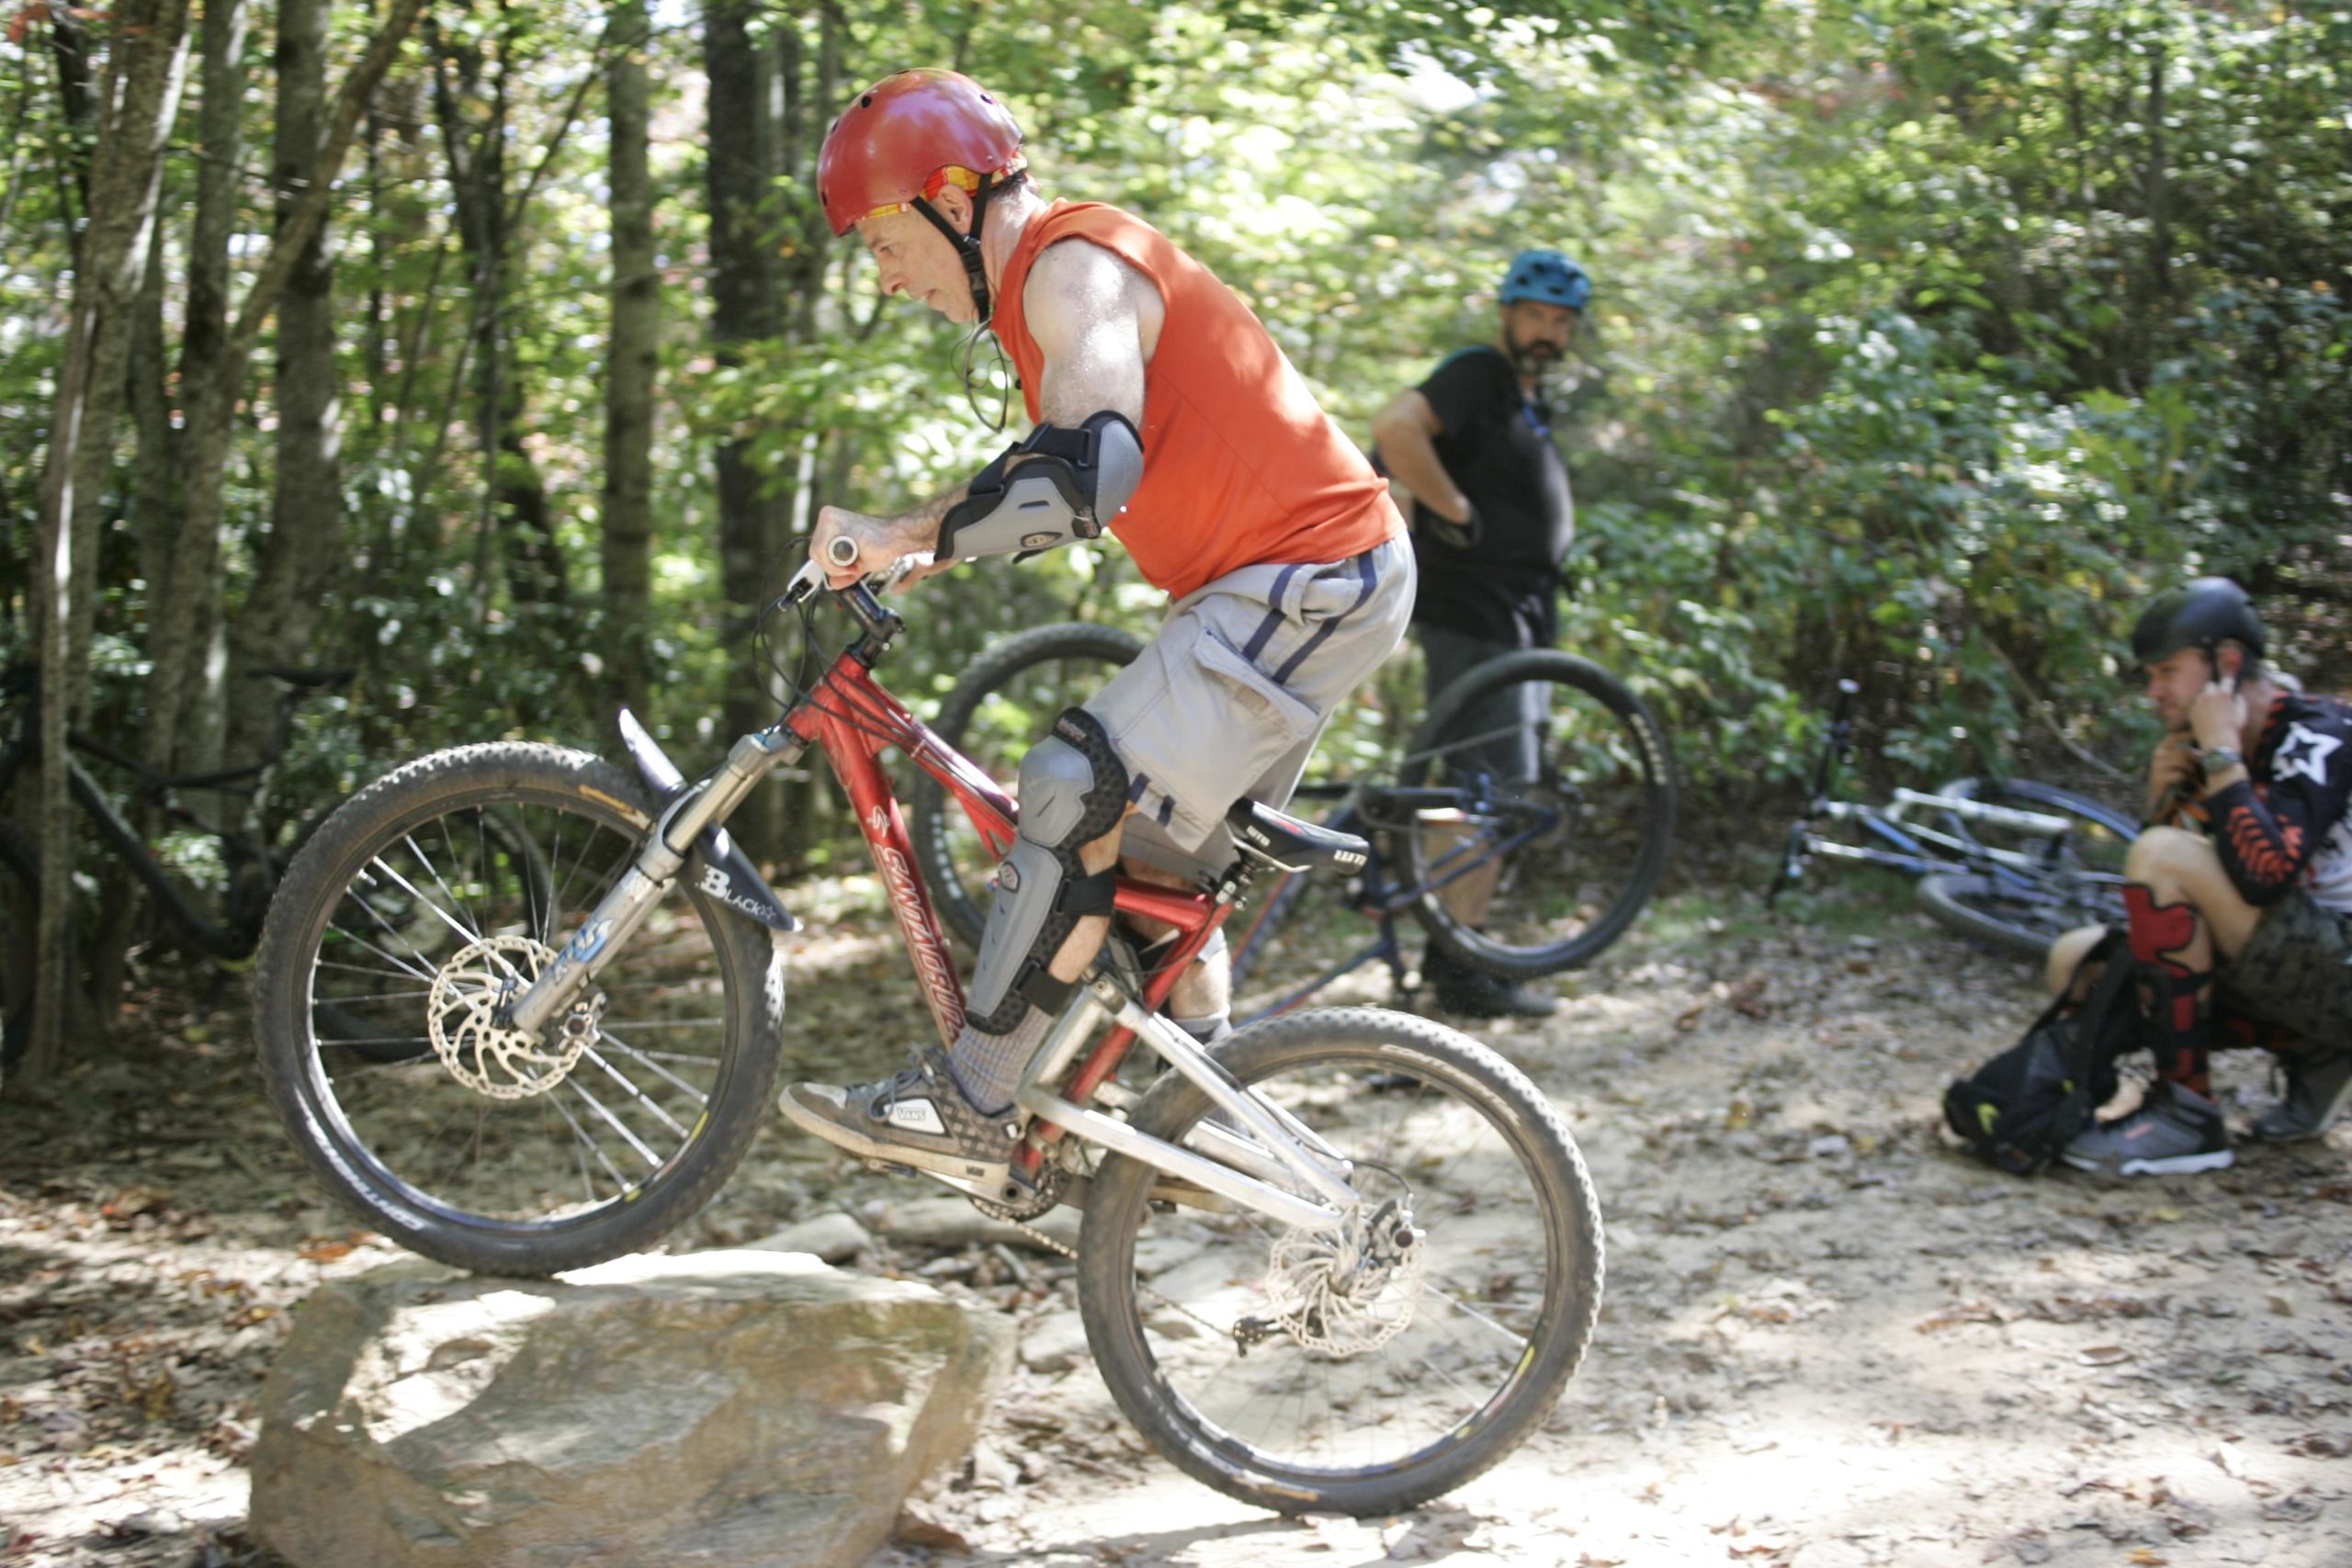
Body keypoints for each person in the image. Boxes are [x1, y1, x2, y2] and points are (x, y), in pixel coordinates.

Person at [777, 69, 1413, 1194]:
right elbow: (1055, 472)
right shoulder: (1044, 294)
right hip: (1295, 582)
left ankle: (967, 1101)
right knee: (1149, 878)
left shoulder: (1073, 268)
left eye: (883, 241)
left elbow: (1084, 472)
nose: (884, 280)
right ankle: (1205, 1123)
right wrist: (923, 544)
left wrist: (898, 528)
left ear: (954, 201)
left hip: (1309, 573)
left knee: (1076, 785)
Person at [2049, 577, 2352, 1177]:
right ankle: (2316, 1055)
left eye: (2167, 671)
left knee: (2163, 854)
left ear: (2228, 664)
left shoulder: (2319, 733)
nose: (2154, 691)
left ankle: (2187, 1118)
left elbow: (2264, 874)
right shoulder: (2204, 748)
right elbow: (2176, 913)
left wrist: (2219, 756)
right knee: (2076, 960)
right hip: (2297, 968)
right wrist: (2167, 804)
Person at [1368, 248, 1588, 1018]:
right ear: (1506, 314)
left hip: (1517, 618)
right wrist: (1456, 515)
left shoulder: (1528, 398)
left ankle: (1457, 951)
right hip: (1476, 613)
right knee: (1475, 791)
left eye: (1561, 322)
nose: (1547, 332)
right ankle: (1460, 964)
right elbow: (1397, 430)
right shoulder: (1479, 374)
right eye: (1535, 315)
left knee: (1488, 790)